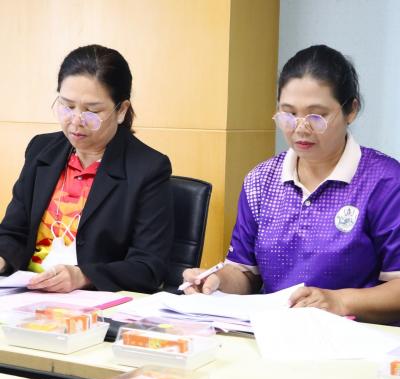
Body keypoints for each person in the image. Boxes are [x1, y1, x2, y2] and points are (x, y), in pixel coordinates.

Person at [183, 44, 400, 324]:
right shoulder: (261, 180)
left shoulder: (384, 181)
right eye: (289, 114)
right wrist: (217, 281)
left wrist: (339, 301)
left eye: (317, 116)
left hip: (358, 337)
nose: (300, 127)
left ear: (351, 110)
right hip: (275, 332)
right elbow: (245, 273)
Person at [0, 44, 173, 293]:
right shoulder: (41, 150)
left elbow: (148, 267)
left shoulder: (148, 169)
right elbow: (13, 232)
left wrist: (83, 276)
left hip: (92, 303)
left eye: (92, 111)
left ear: (121, 110)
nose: (75, 121)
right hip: (25, 295)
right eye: (67, 106)